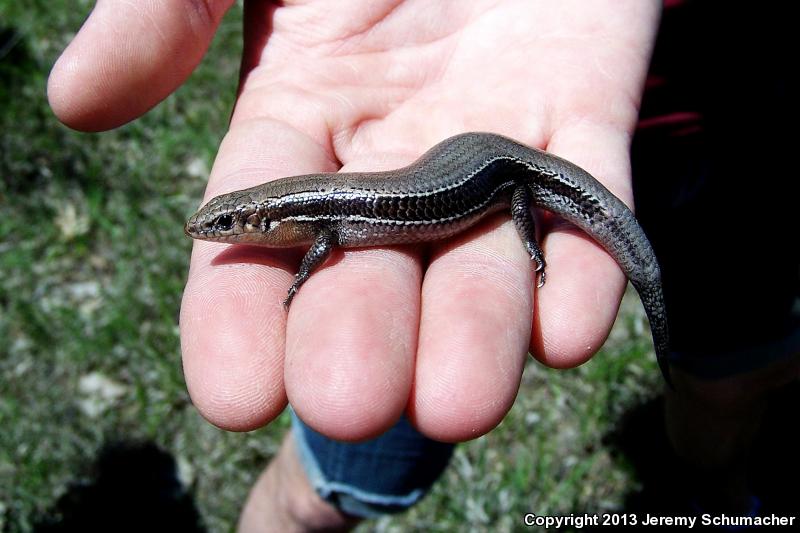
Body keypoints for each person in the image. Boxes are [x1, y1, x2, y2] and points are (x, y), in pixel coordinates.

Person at [48, 1, 797, 530]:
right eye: (225, 223)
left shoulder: (318, 223)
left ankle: (715, 478)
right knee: (357, 413)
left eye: (229, 223)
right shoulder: (313, 210)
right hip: (501, 154)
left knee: (719, 357)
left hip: (587, 150)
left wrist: (527, 232)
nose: (220, 232)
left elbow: (325, 240)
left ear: (265, 217)